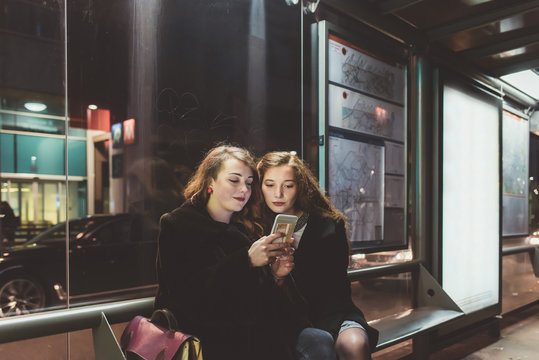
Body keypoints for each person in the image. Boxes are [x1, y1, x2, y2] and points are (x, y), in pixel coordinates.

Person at [154, 145, 337, 360]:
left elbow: (259, 299)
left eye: (249, 183)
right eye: (234, 180)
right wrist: (246, 261)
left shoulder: (240, 230)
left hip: (250, 335)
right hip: (206, 341)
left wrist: (276, 276)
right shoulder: (178, 225)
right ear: (210, 181)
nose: (244, 190)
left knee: (319, 340)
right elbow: (186, 298)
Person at [257, 151, 380, 360]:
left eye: (288, 185)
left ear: (300, 187)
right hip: (283, 319)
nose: (278, 194)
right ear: (259, 187)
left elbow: (337, 288)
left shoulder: (328, 225)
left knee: (355, 344)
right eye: (269, 185)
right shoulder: (253, 225)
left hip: (331, 312)